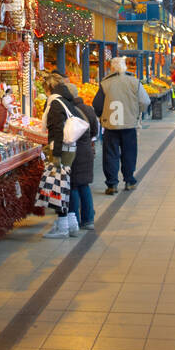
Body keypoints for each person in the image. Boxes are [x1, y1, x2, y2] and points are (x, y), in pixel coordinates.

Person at [43, 74, 98, 237]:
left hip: (67, 151)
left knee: (66, 186)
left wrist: (56, 154)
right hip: (81, 150)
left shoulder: (55, 103)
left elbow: (57, 131)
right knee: (78, 185)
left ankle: (64, 224)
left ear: (49, 89)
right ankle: (78, 221)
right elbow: (93, 130)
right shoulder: (72, 105)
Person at [93, 56, 150, 194]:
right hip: (129, 125)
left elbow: (97, 105)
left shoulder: (105, 83)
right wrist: (136, 112)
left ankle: (112, 184)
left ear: (112, 68)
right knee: (129, 153)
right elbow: (145, 101)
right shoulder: (134, 82)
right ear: (125, 67)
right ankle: (129, 180)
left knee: (110, 155)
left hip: (111, 127)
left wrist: (102, 116)